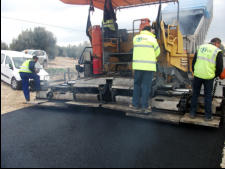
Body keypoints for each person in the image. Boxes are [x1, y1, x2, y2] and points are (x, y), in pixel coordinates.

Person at [190, 38, 224, 121]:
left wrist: (195, 72)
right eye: (219, 45)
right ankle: (207, 116)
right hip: (209, 77)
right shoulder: (217, 51)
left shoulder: (200, 47)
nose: (219, 46)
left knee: (195, 94)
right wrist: (214, 75)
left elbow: (194, 62)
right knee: (207, 96)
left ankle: (192, 113)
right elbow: (220, 67)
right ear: (217, 43)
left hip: (198, 75)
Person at [130, 26, 160, 114]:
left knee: (137, 85)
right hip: (148, 67)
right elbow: (158, 52)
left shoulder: (135, 38)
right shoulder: (152, 39)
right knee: (146, 86)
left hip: (138, 66)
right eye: (152, 29)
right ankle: (145, 106)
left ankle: (135, 105)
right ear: (149, 30)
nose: (153, 31)